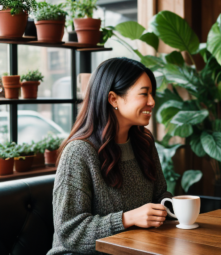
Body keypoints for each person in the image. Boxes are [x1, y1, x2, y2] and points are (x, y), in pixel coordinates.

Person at [48, 58, 171, 254]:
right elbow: (69, 232)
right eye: (144, 94)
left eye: (152, 94)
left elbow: (160, 195)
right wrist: (127, 219)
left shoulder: (144, 143)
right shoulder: (79, 152)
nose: (152, 102)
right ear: (113, 99)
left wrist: (171, 207)